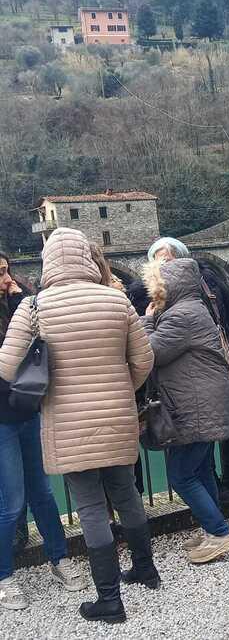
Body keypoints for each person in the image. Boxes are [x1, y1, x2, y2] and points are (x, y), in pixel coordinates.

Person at [0, 228, 157, 624]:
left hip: (67, 424)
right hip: (118, 416)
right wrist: (122, 391)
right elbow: (144, 361)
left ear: (48, 259)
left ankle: (109, 600)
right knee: (126, 493)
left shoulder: (34, 307)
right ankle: (145, 568)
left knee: (89, 507)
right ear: (87, 256)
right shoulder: (116, 300)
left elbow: (6, 367)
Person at [0, 252, 88, 611]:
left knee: (43, 493)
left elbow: (36, 334)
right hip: (1, 421)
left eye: (6, 269)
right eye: (0, 272)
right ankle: (5, 576)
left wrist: (18, 297)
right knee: (11, 502)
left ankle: (59, 558)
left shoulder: (19, 304)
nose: (6, 277)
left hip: (27, 410)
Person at [141, 257, 229, 563]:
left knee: (181, 475)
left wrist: (146, 319)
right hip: (203, 404)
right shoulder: (193, 308)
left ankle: (219, 532)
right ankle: (212, 529)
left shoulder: (181, 315)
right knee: (200, 469)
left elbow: (149, 353)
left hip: (196, 408)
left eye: (157, 285)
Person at [147, 238, 229, 502]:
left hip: (219, 365)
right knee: (198, 440)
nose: (165, 267)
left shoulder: (210, 281)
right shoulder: (148, 290)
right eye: (159, 261)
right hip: (184, 379)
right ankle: (215, 487)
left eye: (169, 260)